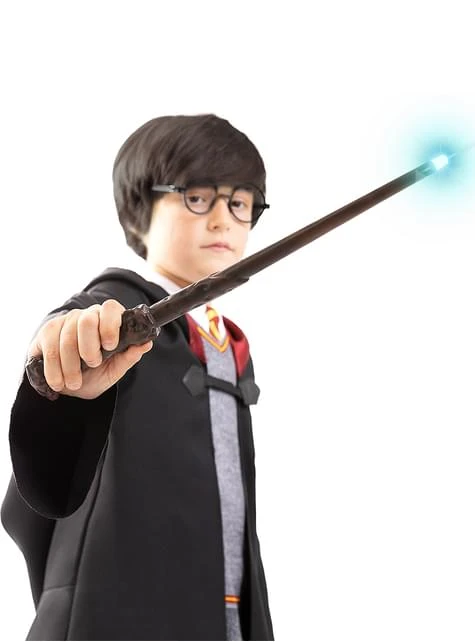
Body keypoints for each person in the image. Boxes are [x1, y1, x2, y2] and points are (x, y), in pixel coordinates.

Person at [1, 114, 274, 641]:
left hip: (222, 612)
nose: (223, 220)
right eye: (198, 197)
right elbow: (71, 337)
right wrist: (65, 360)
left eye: (241, 203)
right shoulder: (116, 312)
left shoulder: (223, 341)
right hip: (125, 611)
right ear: (141, 206)